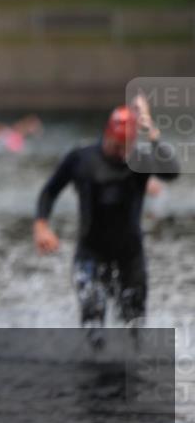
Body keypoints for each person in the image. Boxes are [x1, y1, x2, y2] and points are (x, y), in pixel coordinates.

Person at [33, 97, 180, 341]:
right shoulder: (81, 159)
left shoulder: (139, 160)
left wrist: (151, 131)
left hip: (130, 255)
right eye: (116, 145)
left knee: (135, 329)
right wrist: (41, 226)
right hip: (91, 253)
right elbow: (49, 192)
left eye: (127, 146)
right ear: (107, 135)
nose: (122, 152)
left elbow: (172, 171)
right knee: (93, 328)